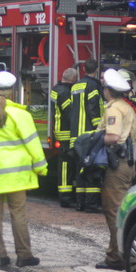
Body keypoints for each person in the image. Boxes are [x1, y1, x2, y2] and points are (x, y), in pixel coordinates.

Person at [0, 71, 46, 268]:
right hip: (17, 176)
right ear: (13, 92)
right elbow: (33, 144)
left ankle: (0, 256)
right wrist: (41, 167)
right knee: (18, 214)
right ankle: (24, 256)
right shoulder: (21, 115)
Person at [95, 69, 136, 271]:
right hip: (127, 165)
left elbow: (113, 137)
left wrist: (93, 138)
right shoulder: (128, 107)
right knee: (122, 210)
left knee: (113, 211)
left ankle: (116, 257)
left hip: (116, 166)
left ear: (108, 91)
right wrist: (132, 160)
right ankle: (119, 253)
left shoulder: (113, 109)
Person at [70, 58, 104, 212]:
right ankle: (90, 205)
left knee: (79, 170)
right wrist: (100, 127)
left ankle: (80, 203)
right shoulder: (94, 85)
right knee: (91, 169)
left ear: (84, 69)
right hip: (89, 134)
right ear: (96, 69)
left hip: (76, 134)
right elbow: (93, 109)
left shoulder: (75, 85)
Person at [50, 67, 76, 207]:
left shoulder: (56, 88)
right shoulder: (65, 93)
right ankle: (66, 198)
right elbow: (70, 114)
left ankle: (67, 196)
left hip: (60, 131)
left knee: (66, 165)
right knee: (67, 166)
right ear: (73, 79)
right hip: (66, 133)